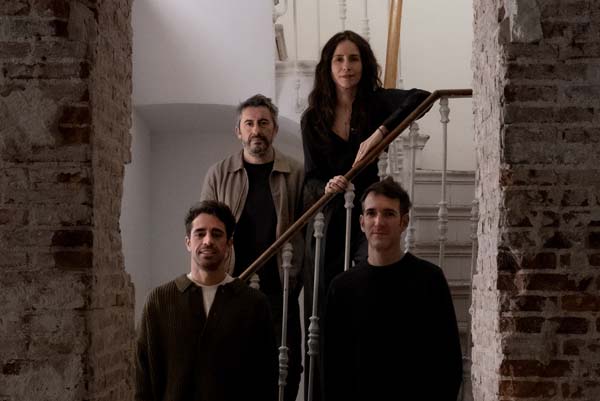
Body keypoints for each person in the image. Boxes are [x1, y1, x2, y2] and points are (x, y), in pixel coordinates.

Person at [300, 30, 430, 398]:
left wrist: (379, 134)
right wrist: (328, 186)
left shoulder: (376, 103)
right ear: (328, 67)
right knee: (324, 306)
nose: (347, 66)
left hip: (367, 216)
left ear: (364, 64)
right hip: (329, 217)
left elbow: (422, 97)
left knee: (367, 287)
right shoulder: (313, 118)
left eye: (353, 59)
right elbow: (310, 178)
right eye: (339, 60)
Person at [200, 94, 304, 401]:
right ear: (238, 131)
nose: (256, 130)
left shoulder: (295, 173)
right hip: (231, 287)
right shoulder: (219, 174)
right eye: (249, 123)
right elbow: (203, 230)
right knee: (231, 367)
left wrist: (297, 276)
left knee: (287, 368)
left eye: (263, 123)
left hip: (279, 289)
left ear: (274, 129)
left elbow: (308, 231)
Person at [323, 177, 463, 401]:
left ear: (404, 222)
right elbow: (333, 371)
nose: (378, 222)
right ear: (361, 222)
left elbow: (448, 363)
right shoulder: (341, 288)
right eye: (371, 213)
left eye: (388, 214)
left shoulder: (430, 280)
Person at [135, 200, 278, 401]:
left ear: (229, 244)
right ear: (188, 242)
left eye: (217, 234)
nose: (208, 241)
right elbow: (144, 384)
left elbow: (266, 382)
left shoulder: (254, 304)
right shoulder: (158, 302)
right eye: (200, 233)